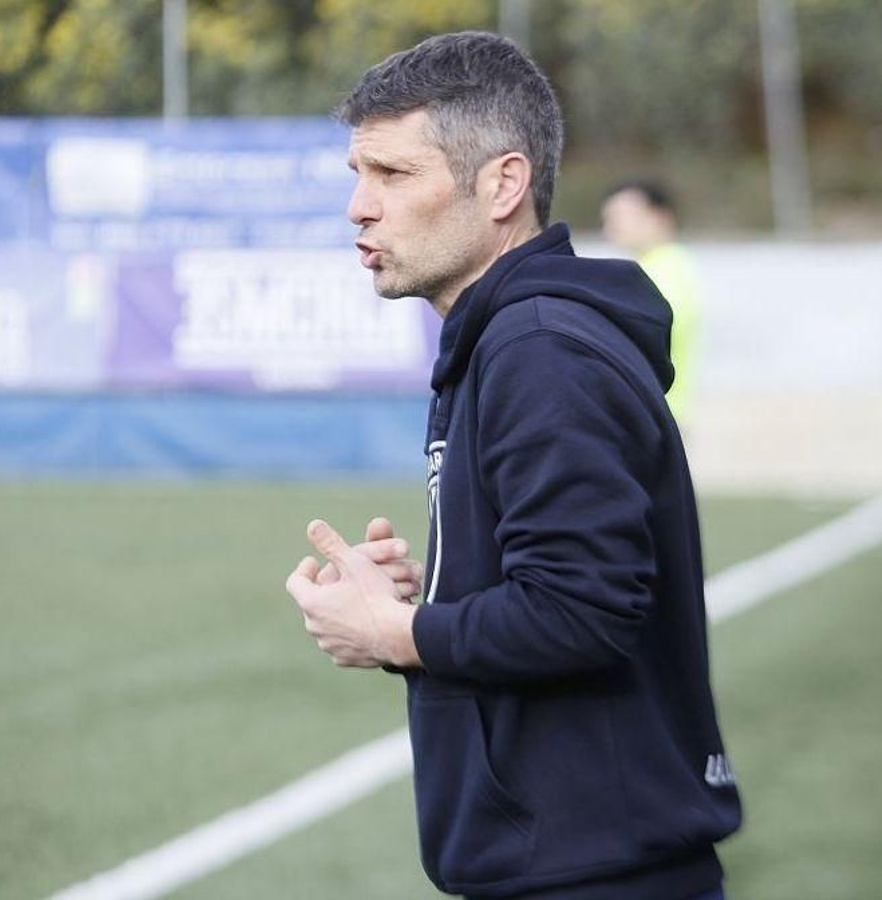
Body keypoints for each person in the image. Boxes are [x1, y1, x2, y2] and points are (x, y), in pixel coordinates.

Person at [284, 31, 741, 899]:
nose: (359, 207)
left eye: (393, 174)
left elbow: (580, 608)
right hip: (572, 860)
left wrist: (397, 633)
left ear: (503, 184)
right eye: (357, 174)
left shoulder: (538, 349)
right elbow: (548, 591)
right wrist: (421, 608)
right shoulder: (505, 338)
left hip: (593, 872)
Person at [600, 180, 703, 428]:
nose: (612, 227)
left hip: (652, 418)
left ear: (660, 217)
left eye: (622, 216)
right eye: (608, 219)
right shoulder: (676, 266)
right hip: (666, 414)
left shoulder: (658, 274)